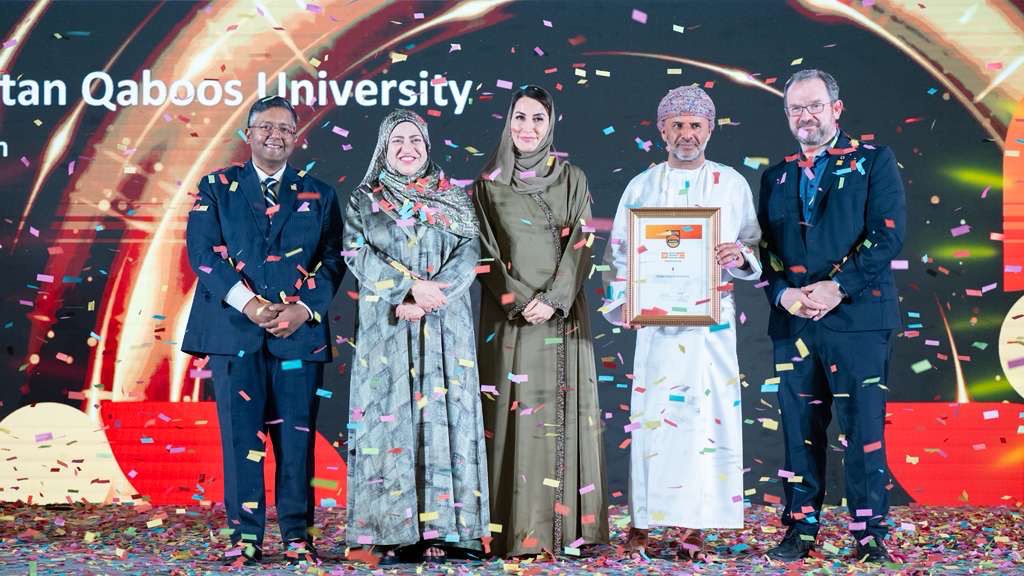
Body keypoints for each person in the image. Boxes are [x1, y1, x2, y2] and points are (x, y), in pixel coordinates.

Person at [182, 95, 346, 566]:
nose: (276, 136)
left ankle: (298, 537)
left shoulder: (319, 194)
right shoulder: (216, 187)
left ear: (296, 137)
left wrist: (303, 310)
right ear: (248, 134)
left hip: (297, 337)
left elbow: (333, 259)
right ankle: (245, 537)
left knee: (296, 443)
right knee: (241, 441)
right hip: (234, 335)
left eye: (285, 129)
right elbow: (203, 253)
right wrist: (250, 304)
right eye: (266, 127)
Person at [602, 85, 762, 561]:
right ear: (662, 130)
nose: (686, 134)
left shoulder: (731, 184)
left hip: (712, 329)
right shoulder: (642, 186)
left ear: (710, 130)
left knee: (706, 424)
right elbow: (618, 254)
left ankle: (696, 526)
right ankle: (642, 522)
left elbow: (753, 244)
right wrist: (625, 303)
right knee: (652, 422)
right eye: (677, 125)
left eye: (695, 125)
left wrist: (740, 256)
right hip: (657, 328)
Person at [757, 69, 905, 563]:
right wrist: (783, 294)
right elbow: (766, 252)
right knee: (799, 433)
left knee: (863, 432)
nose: (806, 116)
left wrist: (838, 287)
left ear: (836, 109)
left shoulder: (874, 161)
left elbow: (887, 235)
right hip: (795, 323)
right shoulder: (775, 177)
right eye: (796, 108)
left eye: (815, 105)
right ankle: (800, 531)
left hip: (858, 320)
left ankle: (869, 535)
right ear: (787, 115)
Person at [342, 109, 489, 564]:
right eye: (398, 141)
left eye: (416, 141)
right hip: (388, 325)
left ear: (427, 147)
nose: (408, 149)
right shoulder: (365, 199)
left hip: (444, 324)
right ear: (383, 149)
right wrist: (406, 289)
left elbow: (470, 252)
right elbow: (356, 252)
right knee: (389, 420)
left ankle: (448, 530)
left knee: (445, 416)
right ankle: (390, 531)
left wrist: (428, 296)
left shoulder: (453, 196)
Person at [473, 85, 609, 558]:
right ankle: (518, 531)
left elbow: (583, 242)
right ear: (507, 122)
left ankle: (573, 531)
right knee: (515, 416)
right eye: (520, 117)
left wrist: (553, 299)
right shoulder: (488, 185)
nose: (527, 128)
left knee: (565, 414)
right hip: (511, 322)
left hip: (563, 317)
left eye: (538, 119)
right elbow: (483, 253)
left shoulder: (572, 178)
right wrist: (517, 300)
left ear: (551, 125)